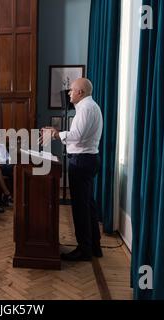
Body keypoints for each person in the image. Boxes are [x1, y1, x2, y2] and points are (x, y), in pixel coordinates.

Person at [42, 78, 103, 261]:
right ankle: (94, 246)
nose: (69, 93)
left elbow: (76, 136)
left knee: (80, 208)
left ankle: (84, 250)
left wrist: (55, 134)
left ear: (80, 92)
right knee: (88, 205)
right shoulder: (91, 107)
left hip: (82, 161)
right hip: (88, 160)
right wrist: (58, 133)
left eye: (71, 90)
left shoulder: (85, 108)